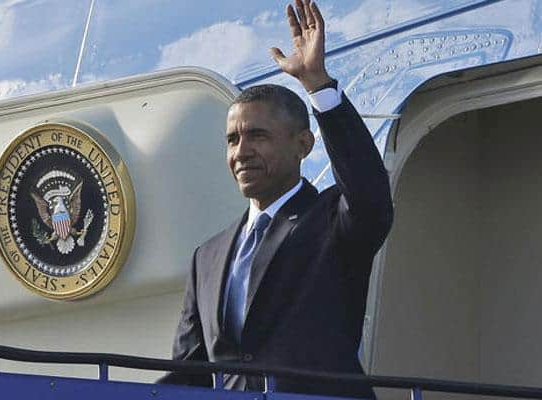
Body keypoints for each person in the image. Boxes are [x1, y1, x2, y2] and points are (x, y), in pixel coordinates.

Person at [159, 1, 393, 398]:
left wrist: (318, 85)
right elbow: (188, 374)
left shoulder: (334, 219)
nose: (241, 151)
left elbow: (370, 193)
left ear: (303, 144)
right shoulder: (208, 257)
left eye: (258, 136)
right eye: (232, 140)